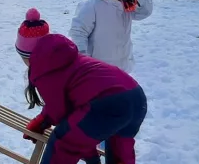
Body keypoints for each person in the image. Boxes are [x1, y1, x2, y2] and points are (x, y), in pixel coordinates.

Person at [16, 10, 148, 164]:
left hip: (107, 105)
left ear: (29, 57)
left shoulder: (46, 70)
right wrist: (44, 120)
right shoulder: (66, 57)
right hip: (135, 96)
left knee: (62, 142)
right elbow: (72, 112)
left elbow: (61, 113)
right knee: (119, 150)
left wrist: (43, 122)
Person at [69, 0, 153, 73]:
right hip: (98, 67)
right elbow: (78, 31)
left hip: (123, 66)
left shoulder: (127, 6)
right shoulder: (93, 5)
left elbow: (145, 11)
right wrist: (83, 57)